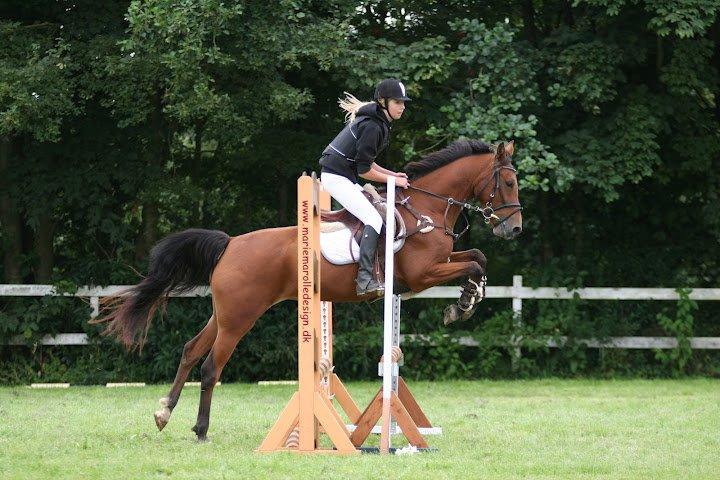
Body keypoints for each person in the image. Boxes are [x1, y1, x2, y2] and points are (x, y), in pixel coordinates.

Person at [319, 78, 410, 296]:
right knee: (373, 219)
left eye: (403, 102)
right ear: (383, 101)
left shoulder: (378, 122)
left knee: (377, 212)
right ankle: (364, 279)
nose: (403, 107)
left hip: (343, 177)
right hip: (336, 178)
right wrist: (395, 181)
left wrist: (392, 174)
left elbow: (367, 162)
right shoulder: (372, 126)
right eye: (398, 102)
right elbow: (364, 171)